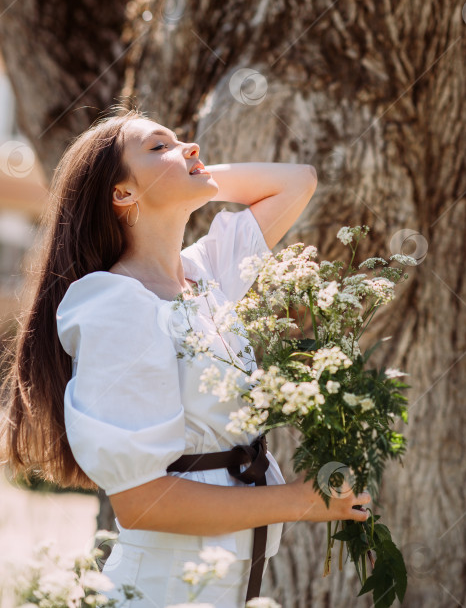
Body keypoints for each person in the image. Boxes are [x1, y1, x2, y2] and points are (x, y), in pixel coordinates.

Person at [0, 105, 372, 608]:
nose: (190, 146)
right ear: (122, 194)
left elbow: (297, 182)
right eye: (158, 146)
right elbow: (139, 503)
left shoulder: (205, 274)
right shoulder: (115, 303)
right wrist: (302, 502)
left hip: (232, 583)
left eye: (182, 140)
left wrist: (186, 173)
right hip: (165, 587)